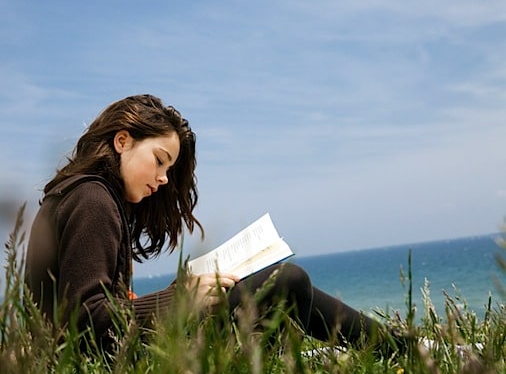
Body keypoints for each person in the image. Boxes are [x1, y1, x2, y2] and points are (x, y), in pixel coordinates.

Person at [24, 94, 394, 354]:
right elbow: (85, 321)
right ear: (123, 141)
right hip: (110, 363)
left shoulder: (85, 196)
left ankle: (396, 345)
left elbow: (91, 307)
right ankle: (401, 348)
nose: (164, 178)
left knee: (278, 284)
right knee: (285, 281)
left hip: (113, 355)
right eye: (160, 160)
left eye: (169, 168)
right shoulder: (93, 199)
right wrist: (179, 299)